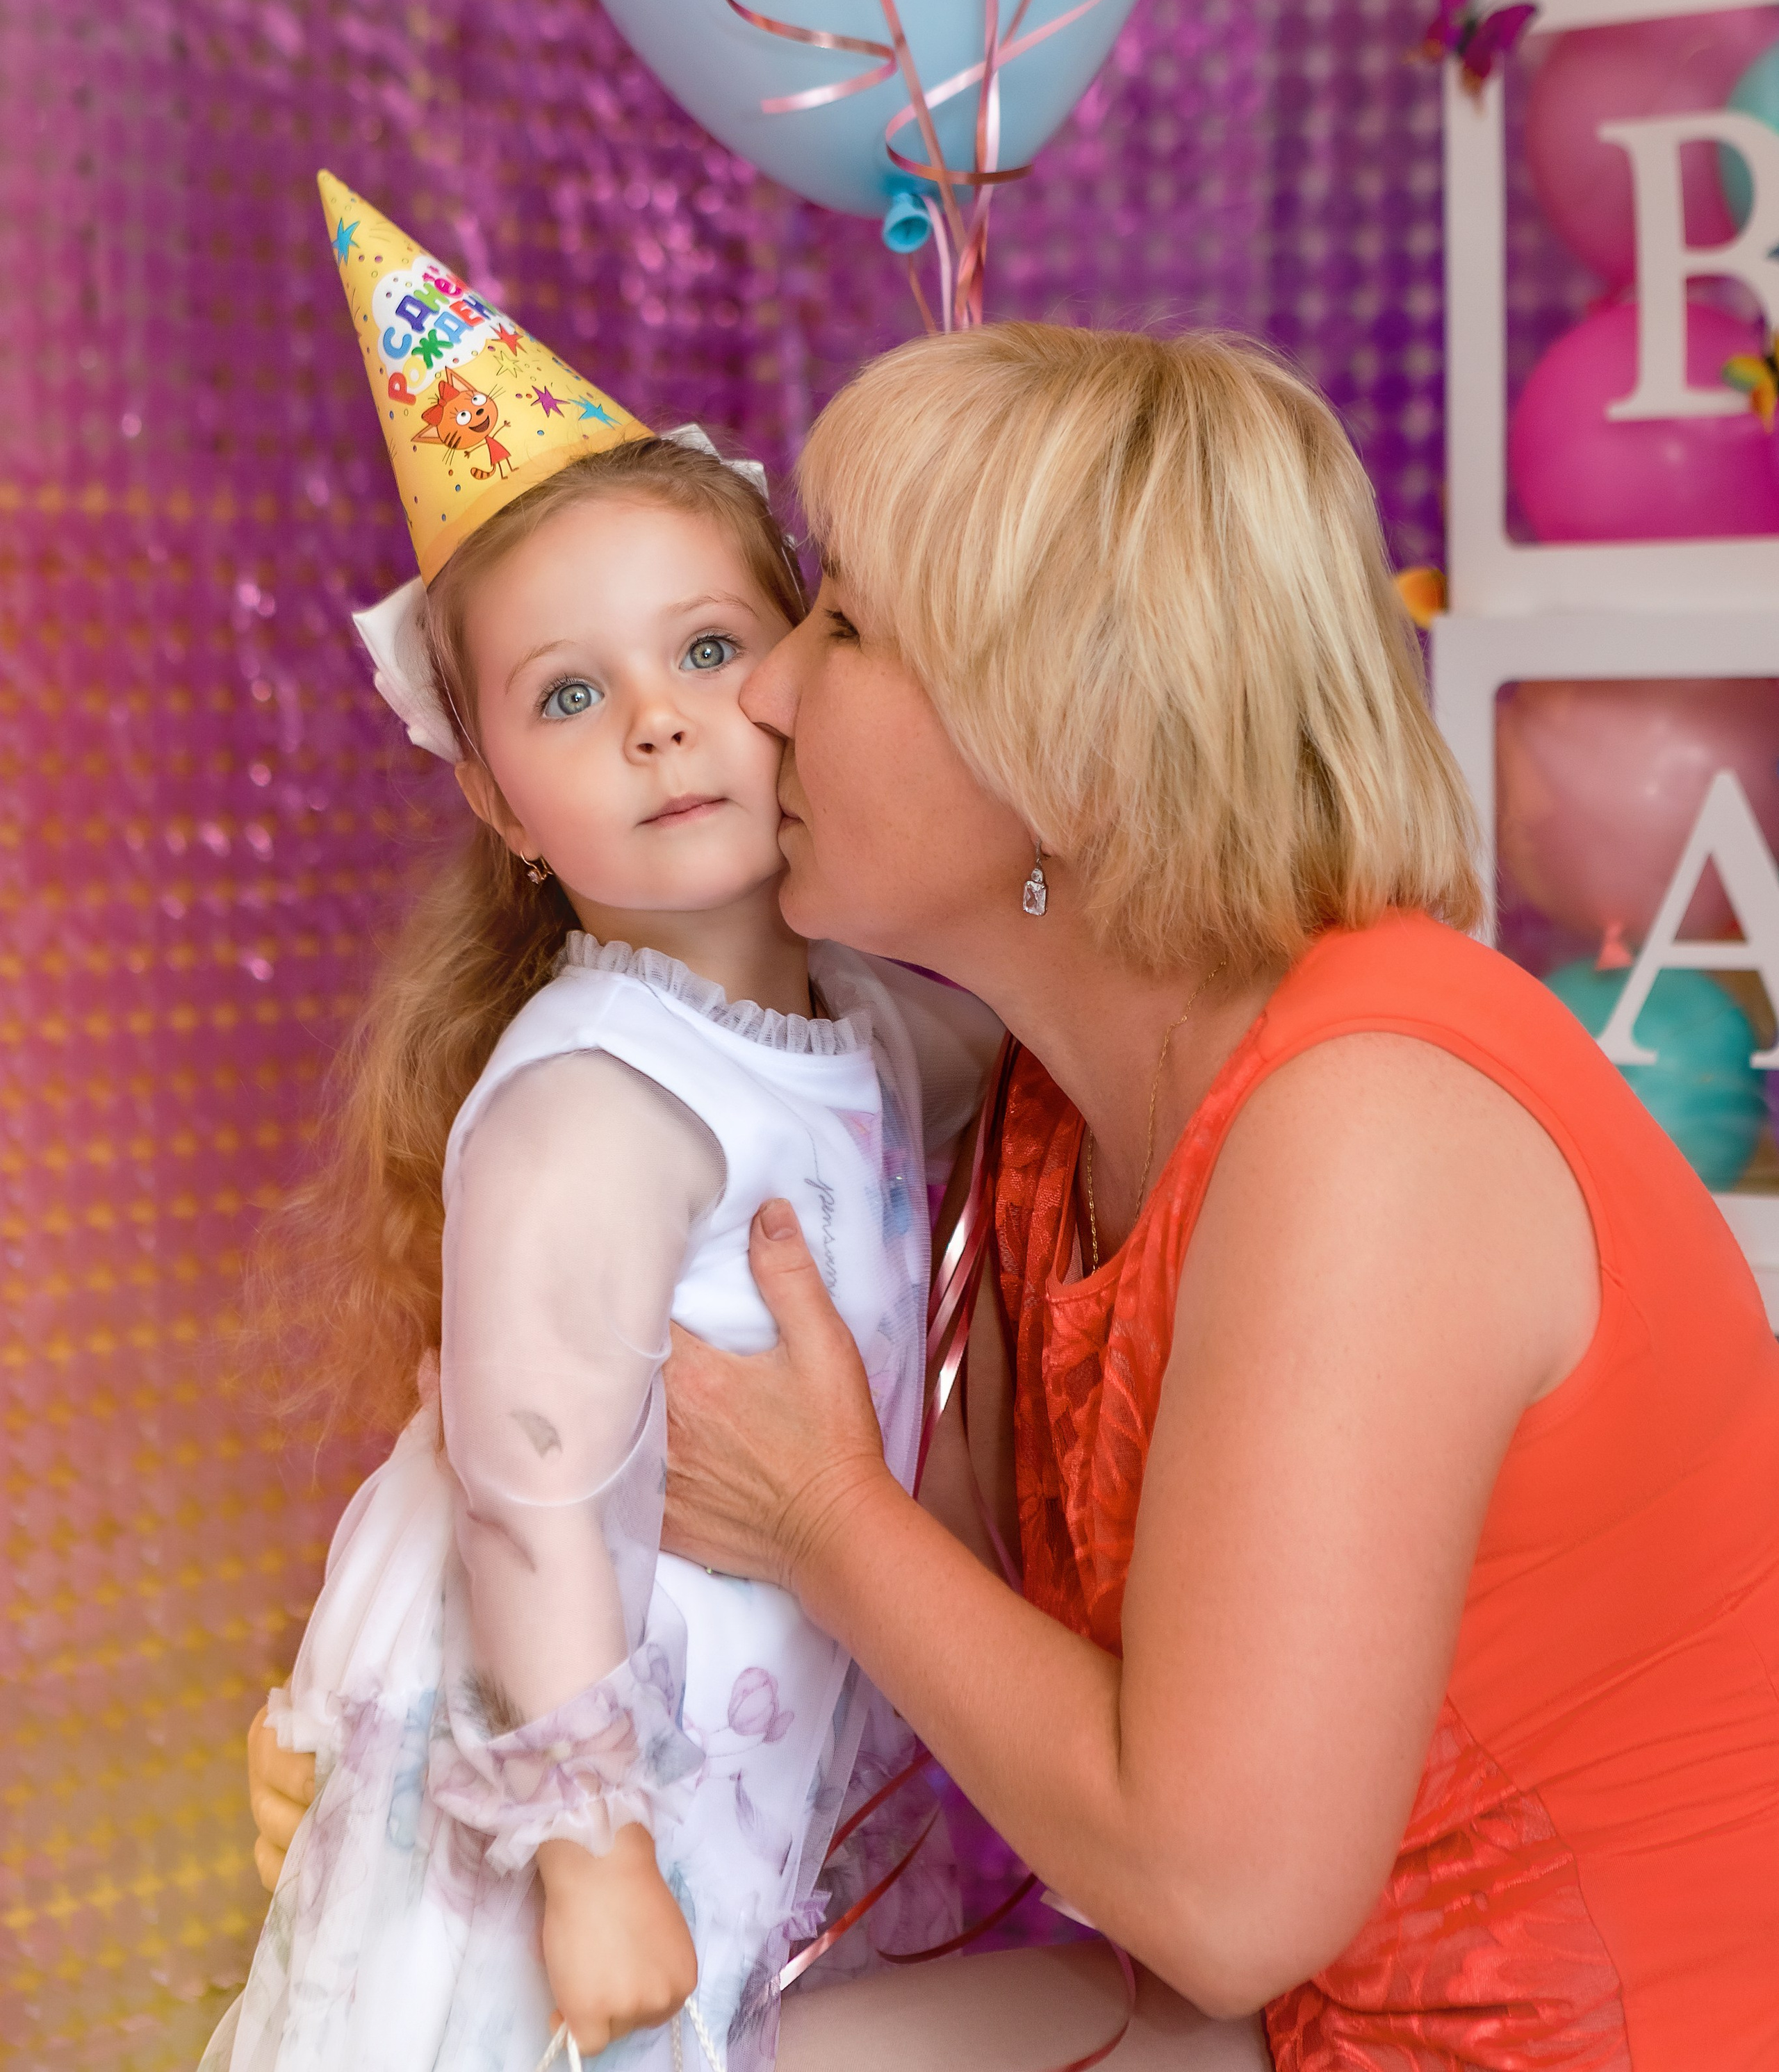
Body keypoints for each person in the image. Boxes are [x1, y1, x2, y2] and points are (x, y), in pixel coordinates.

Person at [250, 319, 1779, 2071]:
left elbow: (1213, 1891)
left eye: (841, 628)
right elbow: (941, 1554)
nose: (759, 695)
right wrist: (405, 1711)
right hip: (1295, 2013)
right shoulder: (1053, 1098)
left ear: (1058, 743)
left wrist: (827, 1521)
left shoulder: (1369, 1130)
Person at [211, 183, 993, 2072]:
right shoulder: (595, 1094)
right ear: (493, 789)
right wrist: (587, 1852)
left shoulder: (856, 1022)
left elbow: (1008, 1039)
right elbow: (534, 1490)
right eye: (575, 695)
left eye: (710, 650)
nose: (661, 721)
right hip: (559, 1775)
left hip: (730, 1752)